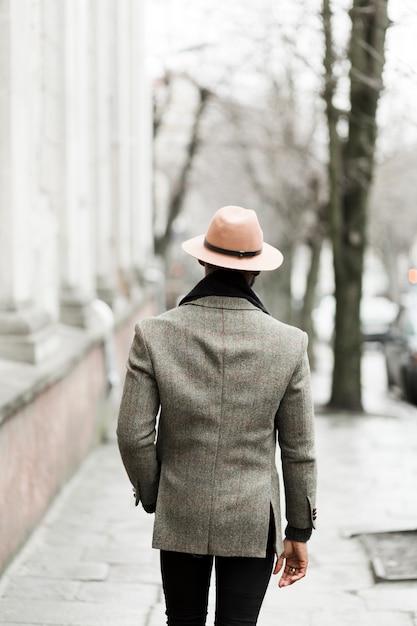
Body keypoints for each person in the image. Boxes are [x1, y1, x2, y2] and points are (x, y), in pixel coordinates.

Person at [117, 205, 317, 626]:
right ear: (257, 271)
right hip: (252, 519)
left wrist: (157, 495)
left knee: (183, 621)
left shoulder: (154, 334)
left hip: (181, 510)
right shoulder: (289, 344)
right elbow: (298, 450)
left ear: (202, 260)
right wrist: (298, 532)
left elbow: (133, 434)